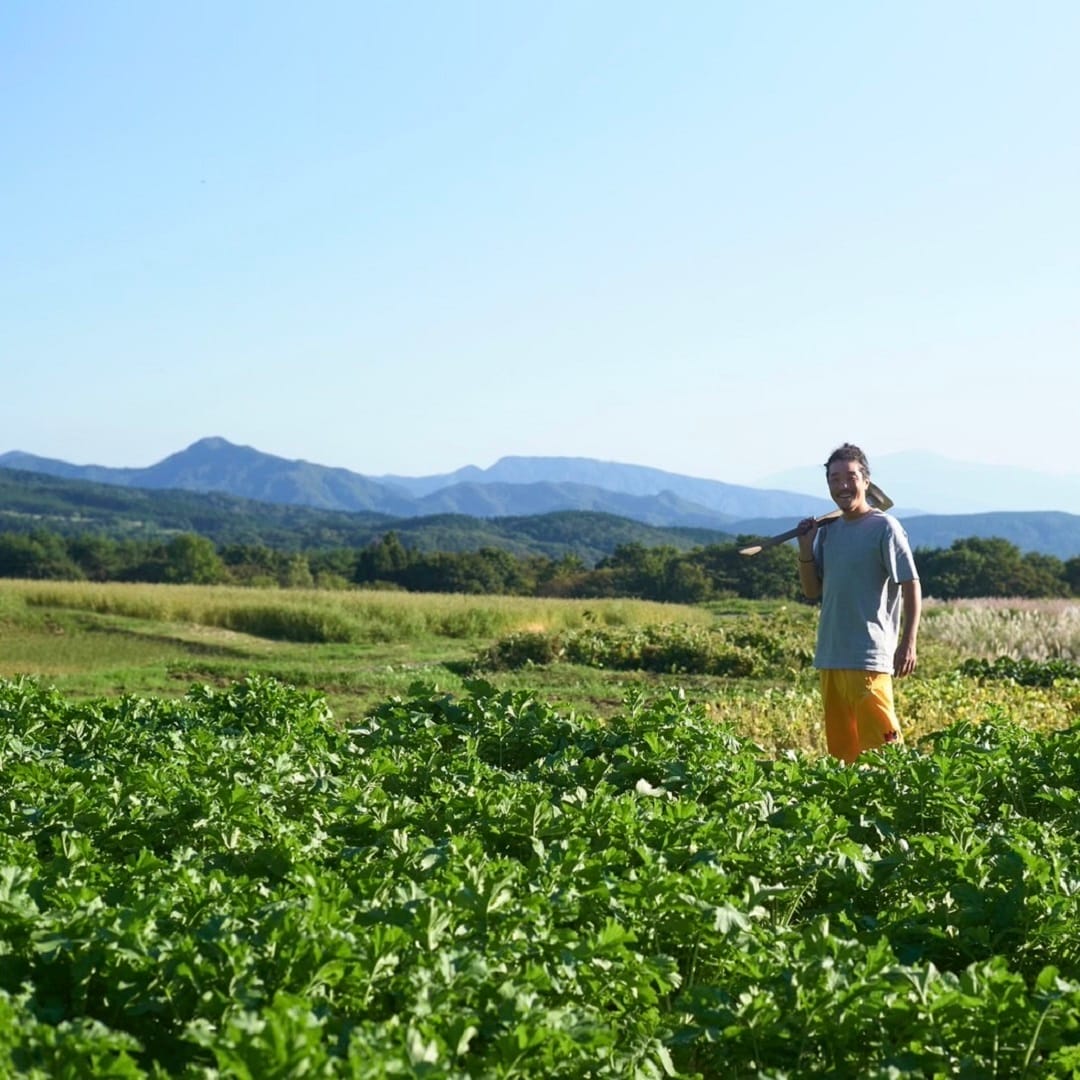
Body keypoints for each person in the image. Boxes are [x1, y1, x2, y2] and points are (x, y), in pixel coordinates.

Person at [796, 443, 921, 763]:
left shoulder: (885, 527)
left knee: (884, 750)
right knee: (842, 755)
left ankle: (899, 806)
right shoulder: (829, 532)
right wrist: (806, 548)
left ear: (866, 481)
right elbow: (813, 591)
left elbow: (911, 583)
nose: (842, 485)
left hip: (869, 656)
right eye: (834, 479)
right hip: (831, 655)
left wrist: (908, 643)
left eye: (850, 477)